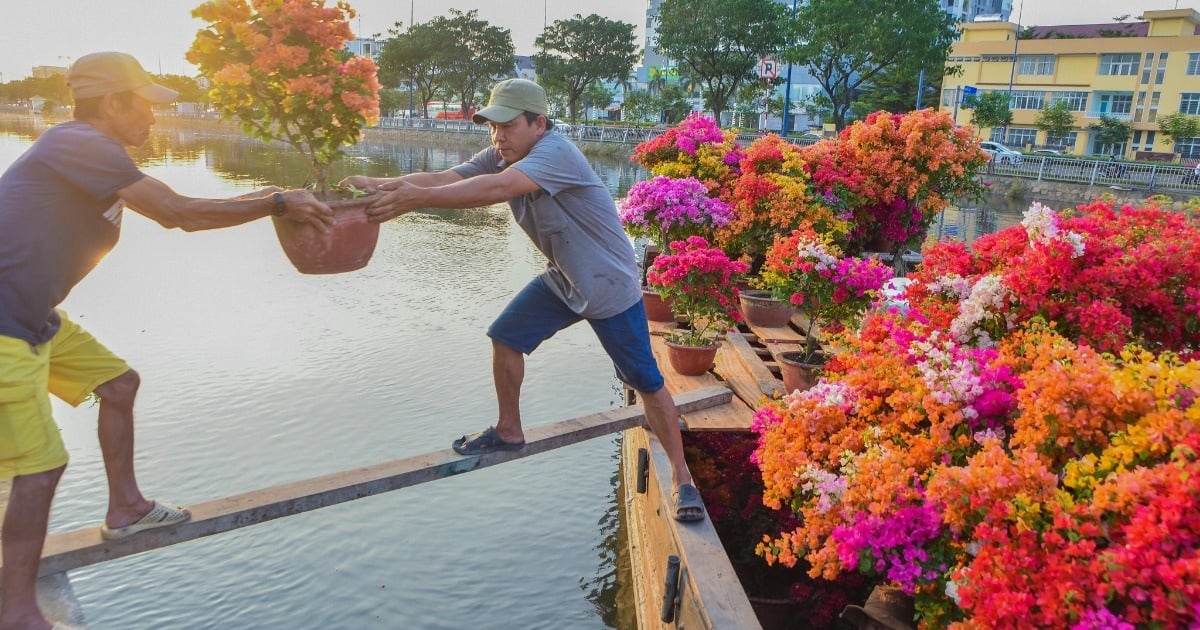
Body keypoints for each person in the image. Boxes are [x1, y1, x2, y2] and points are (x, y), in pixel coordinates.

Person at [0, 52, 333, 630]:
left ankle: (125, 508)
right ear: (113, 103)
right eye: (145, 106)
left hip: (34, 314)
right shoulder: (78, 142)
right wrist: (276, 201)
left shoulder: (97, 155)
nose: (153, 119)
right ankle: (16, 612)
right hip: (4, 325)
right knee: (39, 469)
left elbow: (182, 210)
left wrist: (272, 197)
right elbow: (181, 214)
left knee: (118, 383)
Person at [340, 78, 705, 523]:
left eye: (508, 126)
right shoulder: (501, 154)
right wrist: (377, 184)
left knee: (646, 382)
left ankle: (682, 477)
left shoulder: (555, 153)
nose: (498, 137)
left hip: (608, 285)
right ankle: (509, 430)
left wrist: (415, 200)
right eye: (492, 127)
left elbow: (496, 190)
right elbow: (442, 178)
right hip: (567, 277)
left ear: (539, 124)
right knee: (506, 337)